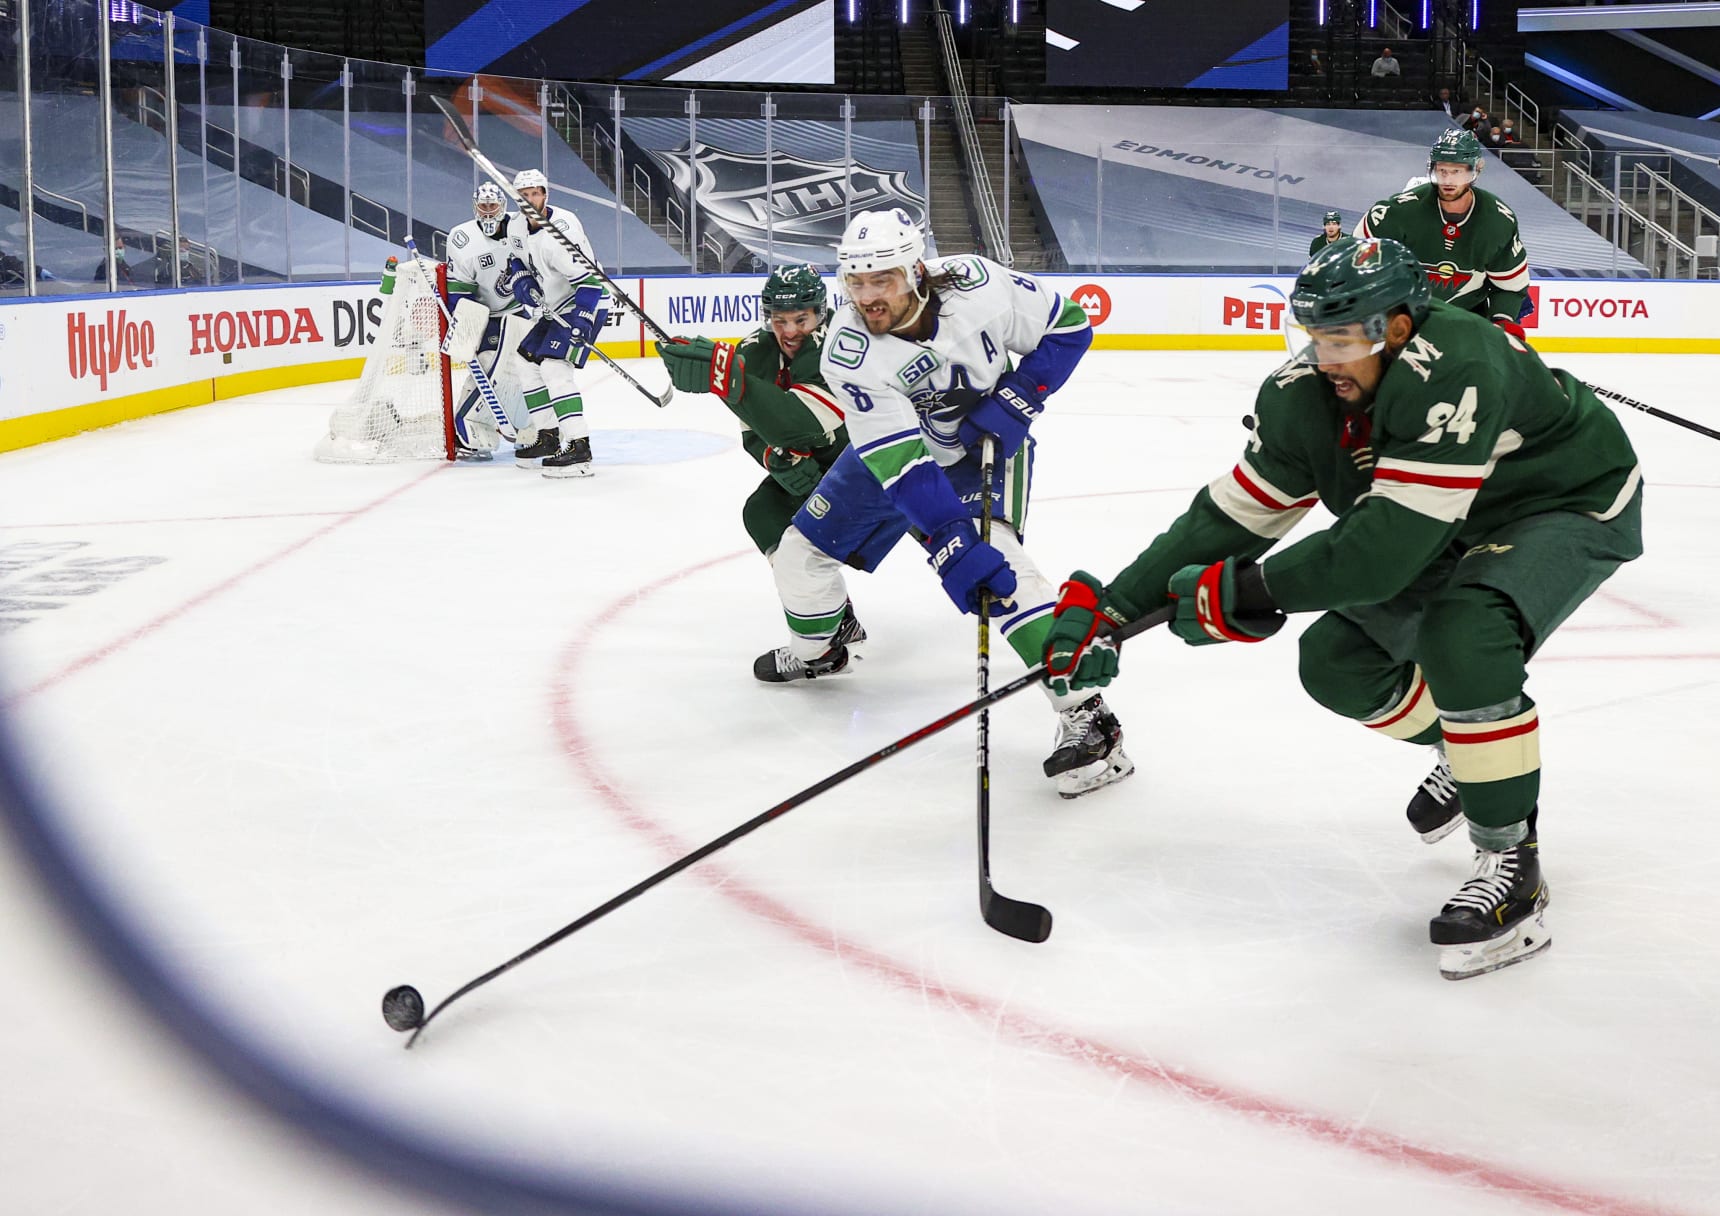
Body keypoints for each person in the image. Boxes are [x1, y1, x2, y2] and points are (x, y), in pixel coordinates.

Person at [1041, 237, 1644, 979]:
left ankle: (1511, 863)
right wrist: (1112, 607)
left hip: (1560, 501)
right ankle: (1466, 753)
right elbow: (1231, 517)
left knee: (1466, 633)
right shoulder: (1306, 395)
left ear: (1397, 327)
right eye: (1317, 336)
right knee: (1336, 661)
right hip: (1441, 516)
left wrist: (1250, 593)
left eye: (1345, 337)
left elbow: (1380, 554)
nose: (1326, 357)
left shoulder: (1458, 364)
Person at [788, 207, 1134, 799]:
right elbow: (900, 464)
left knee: (1002, 573)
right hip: (900, 457)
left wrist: (1024, 395)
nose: (868, 296)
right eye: (855, 281)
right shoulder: (848, 353)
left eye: (884, 279)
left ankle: (1089, 718)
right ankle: (823, 649)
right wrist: (948, 536)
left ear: (916, 270)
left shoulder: (980, 285)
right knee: (797, 557)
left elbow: (1071, 325)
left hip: (985, 453)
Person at [654, 263, 860, 622]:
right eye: (780, 321)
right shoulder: (756, 350)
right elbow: (754, 433)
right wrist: (775, 459)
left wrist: (727, 377)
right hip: (824, 467)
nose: (790, 331)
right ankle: (829, 620)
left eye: (801, 319)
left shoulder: (837, 348)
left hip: (872, 467)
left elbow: (802, 426)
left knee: (940, 530)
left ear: (820, 313)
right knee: (763, 512)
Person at [1353, 127, 1531, 330]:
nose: (1448, 180)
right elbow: (1354, 262)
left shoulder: (1498, 222)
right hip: (1401, 322)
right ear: (1432, 169)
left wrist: (1502, 322)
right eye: (1442, 171)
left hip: (1465, 324)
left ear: (1475, 170)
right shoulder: (1396, 212)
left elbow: (1510, 288)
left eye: (1457, 171)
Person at [444, 182, 555, 462]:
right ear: (475, 206)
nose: (489, 212)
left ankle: (533, 427)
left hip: (517, 313)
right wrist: (467, 330)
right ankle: (467, 430)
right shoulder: (462, 238)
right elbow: (459, 293)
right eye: (484, 206)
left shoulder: (519, 229)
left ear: (503, 206)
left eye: (493, 206)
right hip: (483, 315)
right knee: (486, 364)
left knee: (529, 369)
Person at [509, 169, 609, 478]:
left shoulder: (560, 235)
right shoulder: (516, 226)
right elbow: (516, 260)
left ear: (545, 194)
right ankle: (549, 437)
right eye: (524, 195)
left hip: (584, 302)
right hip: (555, 306)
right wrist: (522, 278)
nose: (531, 200)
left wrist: (582, 320)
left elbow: (590, 284)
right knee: (526, 361)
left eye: (536, 193)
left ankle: (579, 446)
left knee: (554, 366)